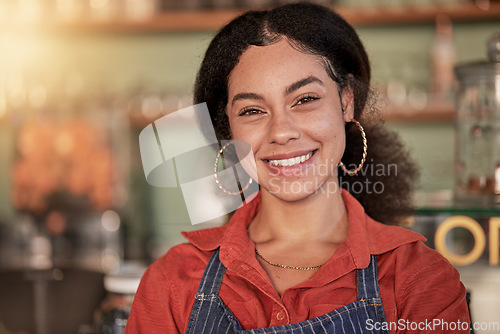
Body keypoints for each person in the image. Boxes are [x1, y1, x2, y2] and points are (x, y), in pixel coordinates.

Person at [125, 3, 469, 333]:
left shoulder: (418, 280)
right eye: (252, 111)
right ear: (228, 130)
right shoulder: (172, 280)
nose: (282, 132)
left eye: (305, 99)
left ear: (346, 101)